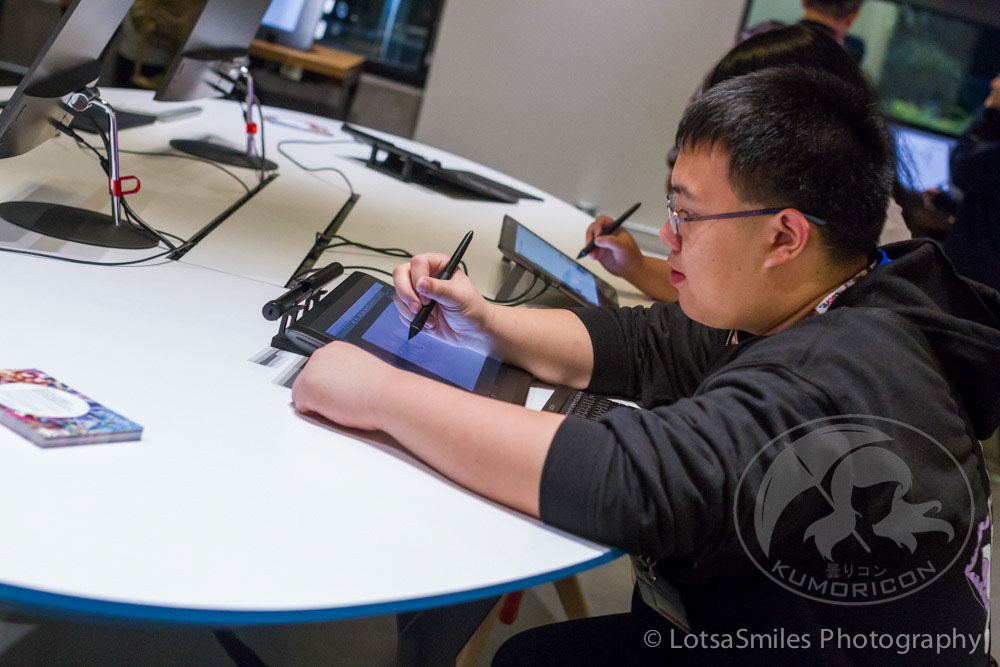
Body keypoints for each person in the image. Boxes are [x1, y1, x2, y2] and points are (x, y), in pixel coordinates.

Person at [291, 66, 999, 664]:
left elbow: (627, 478)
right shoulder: (829, 296)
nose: (668, 236)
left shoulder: (838, 376)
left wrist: (382, 393)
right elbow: (645, 342)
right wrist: (487, 322)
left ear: (784, 237)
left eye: (687, 215)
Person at [586, 24, 909, 302]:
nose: (669, 234)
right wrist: (636, 266)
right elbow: (715, 295)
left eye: (691, 215)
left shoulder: (871, 244)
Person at [943, 73, 1000, 292]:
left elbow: (962, 169)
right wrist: (945, 203)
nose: (994, 82)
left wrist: (987, 113)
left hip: (981, 278)